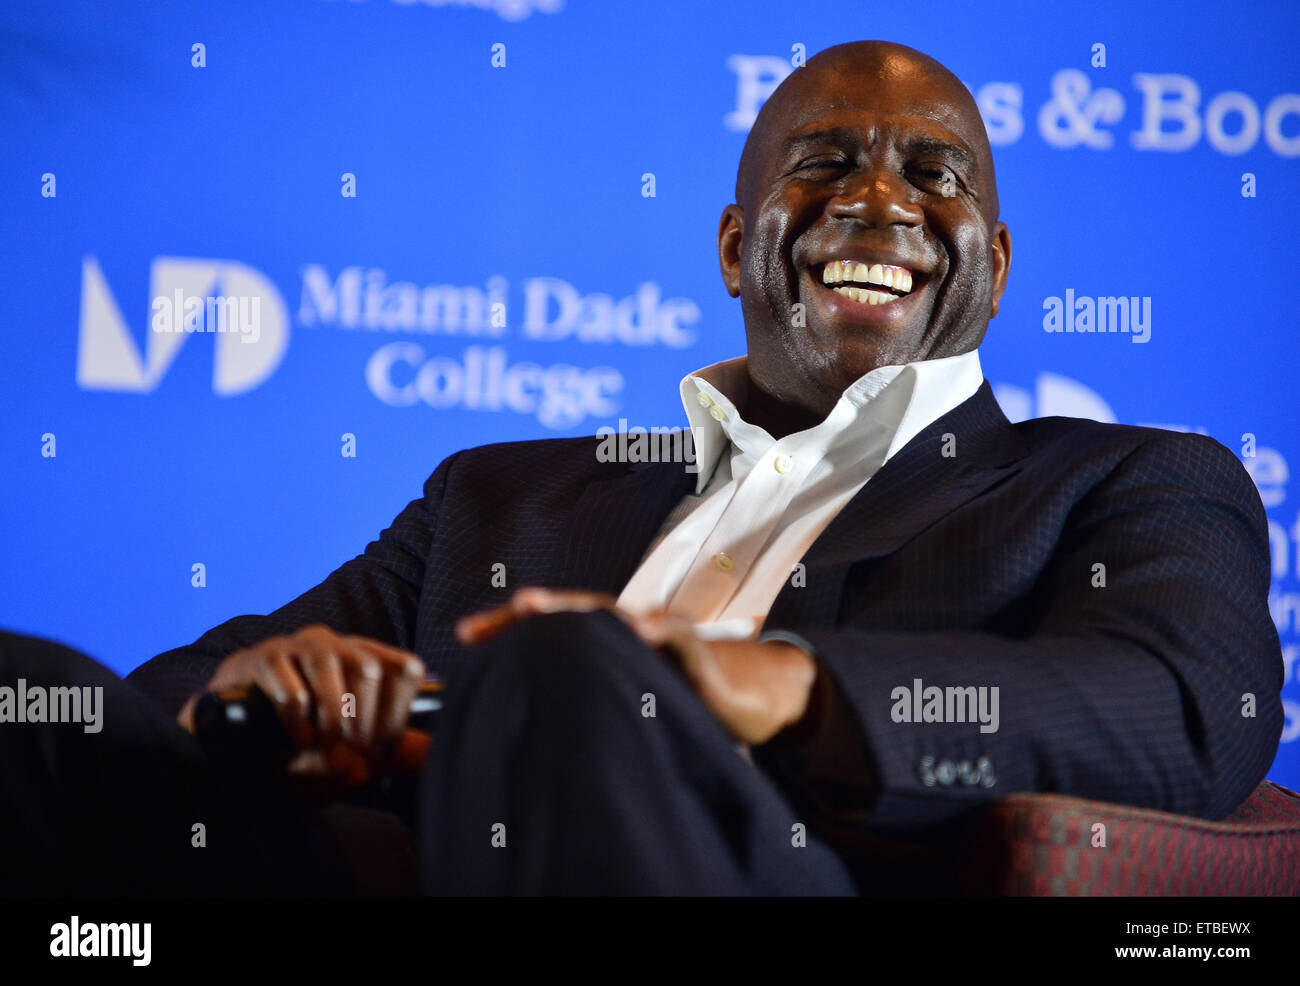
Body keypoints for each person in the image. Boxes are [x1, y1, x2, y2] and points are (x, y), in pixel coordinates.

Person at [5, 40, 1284, 895]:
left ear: (994, 268)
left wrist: (766, 683)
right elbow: (176, 694)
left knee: (572, 667)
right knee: (35, 703)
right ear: (738, 247)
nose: (881, 202)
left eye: (931, 175)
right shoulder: (503, 493)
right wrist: (260, 692)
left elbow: (1188, 712)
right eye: (825, 163)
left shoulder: (1121, 482)